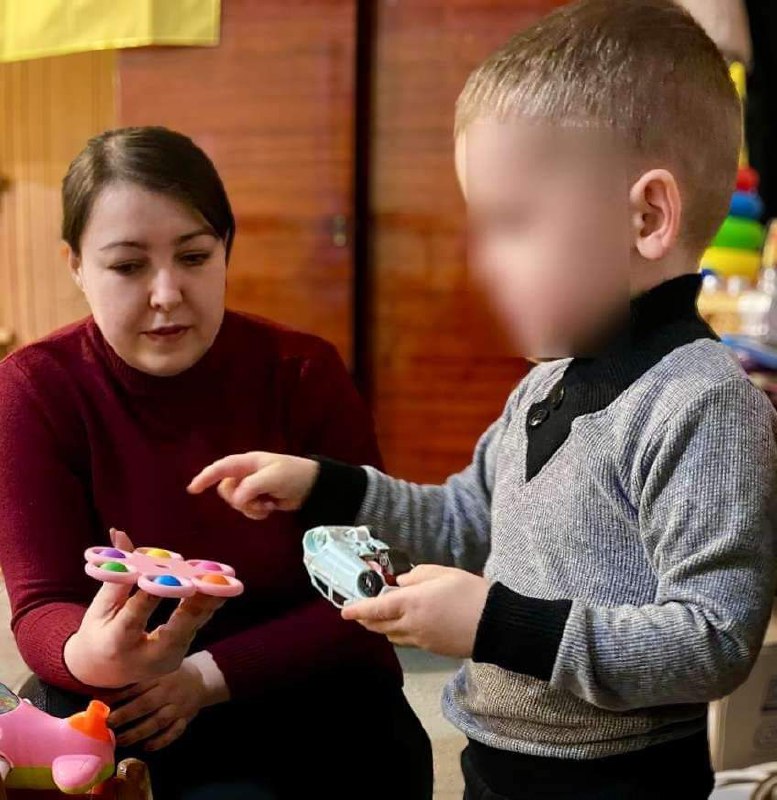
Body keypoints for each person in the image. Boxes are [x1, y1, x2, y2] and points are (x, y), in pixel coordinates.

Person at [188, 2, 777, 798]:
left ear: (646, 217)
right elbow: (465, 520)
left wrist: (496, 624)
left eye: (512, 223)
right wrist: (328, 485)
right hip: (494, 757)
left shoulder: (703, 405)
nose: (483, 261)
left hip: (617, 782)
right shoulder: (545, 383)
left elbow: (712, 640)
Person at [0, 126, 432, 799]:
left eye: (194, 257)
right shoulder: (34, 388)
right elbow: (40, 603)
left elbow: (366, 588)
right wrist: (91, 654)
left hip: (299, 674)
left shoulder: (301, 372)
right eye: (127, 266)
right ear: (76, 265)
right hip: (124, 691)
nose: (166, 293)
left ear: (226, 249)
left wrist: (205, 677)